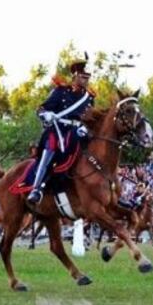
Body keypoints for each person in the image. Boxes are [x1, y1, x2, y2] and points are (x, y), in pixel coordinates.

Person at [27, 60, 96, 206]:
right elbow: (41, 109)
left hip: (78, 132)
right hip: (59, 131)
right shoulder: (61, 91)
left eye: (88, 77)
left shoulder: (89, 98)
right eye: (83, 76)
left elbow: (91, 119)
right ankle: (36, 188)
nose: (86, 80)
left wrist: (87, 128)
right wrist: (46, 115)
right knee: (50, 151)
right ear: (75, 76)